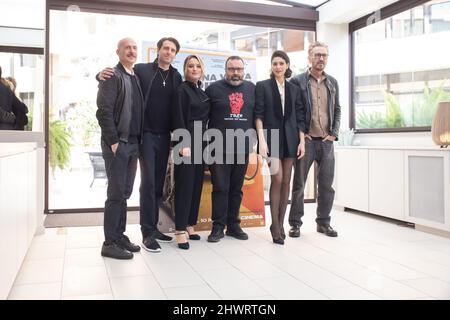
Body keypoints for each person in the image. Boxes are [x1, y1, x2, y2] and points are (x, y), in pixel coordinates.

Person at [99, 37, 183, 253]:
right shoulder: (142, 71)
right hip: (142, 137)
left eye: (173, 50)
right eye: (165, 48)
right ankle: (144, 233)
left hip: (161, 137)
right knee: (143, 185)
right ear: (158, 50)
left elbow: (179, 107)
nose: (168, 52)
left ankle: (147, 229)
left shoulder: (175, 76)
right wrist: (98, 75)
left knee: (151, 187)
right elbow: (111, 86)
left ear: (175, 54)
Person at [96, 38, 143, 259]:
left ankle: (119, 235)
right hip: (118, 143)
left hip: (133, 143)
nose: (132, 51)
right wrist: (113, 141)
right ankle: (109, 242)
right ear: (118, 52)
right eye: (127, 48)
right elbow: (103, 111)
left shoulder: (134, 75)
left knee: (125, 192)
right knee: (115, 193)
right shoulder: (111, 76)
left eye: (134, 48)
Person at [288, 41, 341, 238]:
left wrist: (334, 133)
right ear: (309, 58)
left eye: (324, 55)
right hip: (306, 141)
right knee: (299, 185)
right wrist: (301, 134)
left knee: (327, 185)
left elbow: (337, 109)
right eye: (317, 55)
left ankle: (324, 223)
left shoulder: (333, 82)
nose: (321, 58)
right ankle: (295, 224)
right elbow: (293, 111)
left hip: (326, 142)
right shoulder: (297, 81)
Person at [255, 50, 305, 245]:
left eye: (281, 63)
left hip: (291, 138)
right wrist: (262, 140)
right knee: (277, 178)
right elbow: (258, 115)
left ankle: (281, 223)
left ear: (287, 65)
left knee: (286, 183)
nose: (278, 66)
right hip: (271, 137)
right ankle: (274, 225)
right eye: (274, 63)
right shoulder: (263, 86)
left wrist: (301, 141)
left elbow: (300, 117)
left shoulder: (295, 88)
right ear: (271, 66)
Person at [205, 56, 256, 243]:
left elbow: (258, 117)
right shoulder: (213, 89)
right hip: (218, 148)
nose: (235, 72)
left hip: (242, 148)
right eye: (231, 68)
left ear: (244, 70)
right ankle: (217, 227)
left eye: (239, 69)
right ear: (225, 70)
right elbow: (203, 118)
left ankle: (233, 226)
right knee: (220, 188)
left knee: (236, 188)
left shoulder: (252, 89)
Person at [172, 55, 210, 249]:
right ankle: (179, 230)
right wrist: (183, 143)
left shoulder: (201, 91)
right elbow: (178, 117)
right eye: (190, 66)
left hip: (202, 142)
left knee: (196, 184)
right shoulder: (182, 90)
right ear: (185, 69)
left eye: (197, 66)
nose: (194, 69)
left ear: (201, 69)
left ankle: (189, 224)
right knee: (185, 185)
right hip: (186, 141)